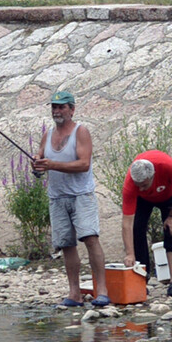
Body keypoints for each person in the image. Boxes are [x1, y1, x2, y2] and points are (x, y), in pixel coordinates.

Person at [33, 91, 109, 307]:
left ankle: (101, 291)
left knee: (90, 239)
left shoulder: (81, 132)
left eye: (61, 107)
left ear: (72, 109)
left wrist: (51, 165)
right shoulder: (47, 134)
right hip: (56, 197)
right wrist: (36, 166)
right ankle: (74, 293)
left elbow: (84, 164)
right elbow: (40, 158)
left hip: (81, 196)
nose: (57, 111)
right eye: (54, 107)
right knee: (66, 245)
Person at [121, 150, 172, 297]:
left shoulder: (167, 166)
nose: (140, 188)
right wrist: (129, 254)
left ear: (153, 176)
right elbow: (127, 222)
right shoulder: (131, 185)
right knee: (137, 230)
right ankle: (141, 280)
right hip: (144, 200)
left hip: (170, 195)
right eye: (137, 185)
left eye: (144, 184)